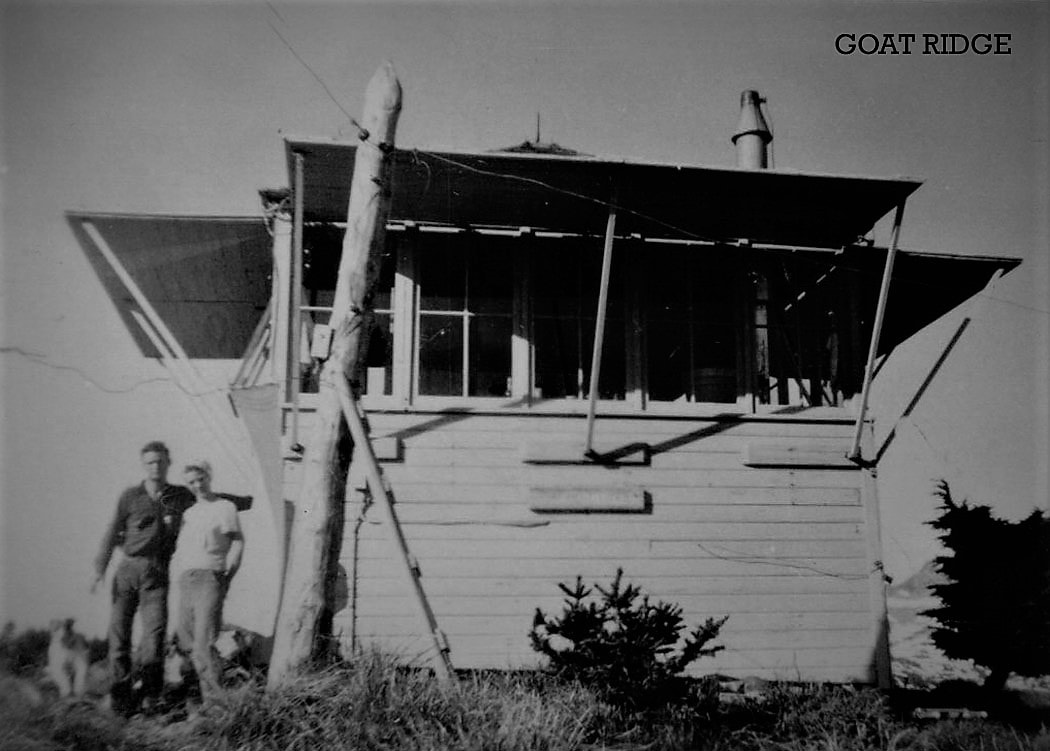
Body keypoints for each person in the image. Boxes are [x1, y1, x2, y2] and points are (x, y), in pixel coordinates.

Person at [92, 441, 195, 715]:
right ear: (143, 465)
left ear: (168, 463)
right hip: (127, 571)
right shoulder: (130, 496)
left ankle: (150, 696)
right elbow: (113, 531)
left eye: (160, 461)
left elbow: (211, 499)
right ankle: (120, 697)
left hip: (157, 574)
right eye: (150, 462)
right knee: (119, 635)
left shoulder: (179, 495)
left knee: (155, 635)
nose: (155, 467)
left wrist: (249, 500)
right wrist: (99, 570)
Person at [171, 461, 244, 702]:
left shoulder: (224, 507)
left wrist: (228, 576)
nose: (197, 485)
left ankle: (217, 705)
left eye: (200, 479)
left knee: (205, 641)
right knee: (187, 641)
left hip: (210, 576)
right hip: (187, 579)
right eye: (191, 482)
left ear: (208, 477)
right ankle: (197, 700)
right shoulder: (189, 513)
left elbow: (237, 542)